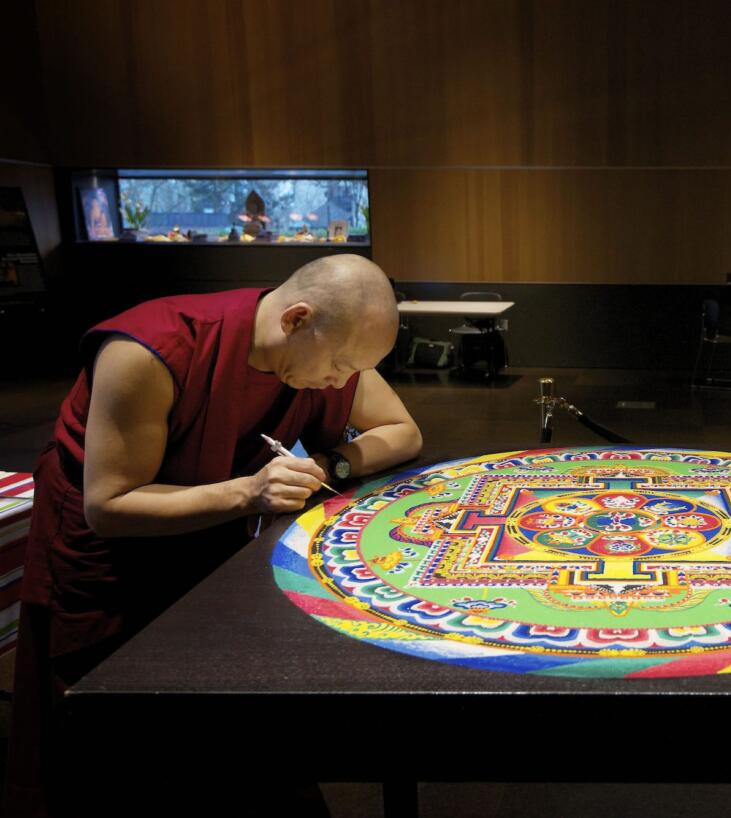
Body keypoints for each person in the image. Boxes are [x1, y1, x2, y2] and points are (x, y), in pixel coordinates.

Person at [3, 253, 422, 817]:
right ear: (296, 320)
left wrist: (330, 463)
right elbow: (109, 505)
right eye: (342, 365)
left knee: (232, 737)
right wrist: (250, 493)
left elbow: (402, 431)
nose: (343, 384)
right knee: (117, 754)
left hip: (213, 535)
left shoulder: (321, 346)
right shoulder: (151, 351)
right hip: (110, 562)